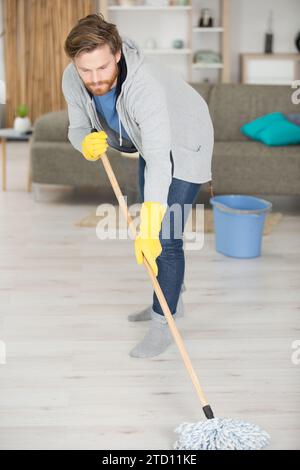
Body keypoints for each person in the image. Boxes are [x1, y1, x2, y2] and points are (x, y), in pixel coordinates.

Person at [62, 13, 214, 358]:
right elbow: (76, 129)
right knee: (154, 224)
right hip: (151, 140)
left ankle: (164, 325)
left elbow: (162, 161)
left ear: (116, 53)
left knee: (164, 235)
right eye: (86, 70)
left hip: (186, 139)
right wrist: (84, 143)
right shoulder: (73, 78)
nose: (95, 79)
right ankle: (169, 296)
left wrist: (150, 225)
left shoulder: (144, 86)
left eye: (102, 68)